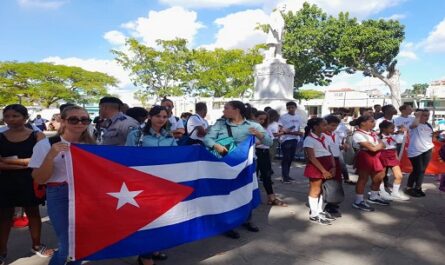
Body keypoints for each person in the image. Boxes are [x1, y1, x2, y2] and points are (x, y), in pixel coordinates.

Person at [29, 105, 96, 265]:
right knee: (67, 245)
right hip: (58, 194)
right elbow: (39, 179)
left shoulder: (92, 145)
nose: (80, 123)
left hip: (85, 195)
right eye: (74, 119)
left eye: (85, 119)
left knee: (80, 243)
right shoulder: (46, 144)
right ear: (63, 121)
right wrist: (51, 155)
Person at [204, 101, 272, 239]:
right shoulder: (220, 124)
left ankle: (247, 220)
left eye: (226, 108)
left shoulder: (253, 125)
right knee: (227, 194)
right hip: (225, 165)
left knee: (246, 192)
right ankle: (228, 224)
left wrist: (259, 134)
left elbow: (269, 142)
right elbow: (207, 139)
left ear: (237, 110)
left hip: (247, 165)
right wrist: (216, 146)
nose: (223, 110)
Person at [0, 105, 53, 265]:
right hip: (5, 182)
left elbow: (42, 161)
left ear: (25, 118)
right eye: (7, 116)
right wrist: (26, 162)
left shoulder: (38, 136)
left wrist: (8, 160)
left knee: (33, 213)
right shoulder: (0, 136)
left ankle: (36, 245)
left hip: (31, 180)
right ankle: (2, 251)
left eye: (15, 116)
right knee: (4, 217)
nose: (10, 119)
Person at [125, 105, 172, 265]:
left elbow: (176, 158)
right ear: (150, 117)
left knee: (161, 218)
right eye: (158, 116)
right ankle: (145, 256)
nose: (161, 119)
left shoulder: (169, 137)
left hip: (164, 184)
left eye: (165, 117)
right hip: (142, 184)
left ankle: (155, 248)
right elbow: (127, 158)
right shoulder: (136, 135)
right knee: (146, 220)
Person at [351, 115, 389, 212]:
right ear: (363, 123)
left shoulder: (372, 133)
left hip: (376, 156)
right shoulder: (358, 134)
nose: (374, 123)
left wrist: (377, 146)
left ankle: (374, 196)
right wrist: (377, 145)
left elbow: (382, 145)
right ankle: (358, 201)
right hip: (365, 156)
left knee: (379, 176)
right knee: (363, 178)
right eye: (371, 121)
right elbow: (373, 148)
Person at [303, 118, 335, 225]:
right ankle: (314, 214)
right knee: (315, 189)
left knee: (323, 189)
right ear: (316, 127)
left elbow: (329, 152)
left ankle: (320, 210)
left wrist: (333, 166)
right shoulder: (309, 139)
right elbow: (312, 157)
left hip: (327, 163)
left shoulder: (324, 137)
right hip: (317, 165)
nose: (326, 127)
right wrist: (323, 171)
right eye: (324, 125)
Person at [254, 111, 286, 207]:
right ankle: (252, 198)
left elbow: (270, 140)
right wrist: (262, 141)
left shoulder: (265, 128)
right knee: (253, 176)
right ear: (255, 118)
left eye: (264, 119)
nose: (262, 121)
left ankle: (271, 197)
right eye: (260, 119)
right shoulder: (251, 128)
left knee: (266, 175)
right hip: (255, 152)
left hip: (264, 153)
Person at [405, 109, 434, 197]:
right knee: (417, 170)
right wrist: (417, 116)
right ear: (419, 115)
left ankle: (418, 188)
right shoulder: (414, 123)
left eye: (428, 115)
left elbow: (430, 137)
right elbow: (414, 125)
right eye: (424, 115)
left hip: (427, 150)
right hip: (415, 151)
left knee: (422, 171)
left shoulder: (429, 125)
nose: (427, 117)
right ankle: (409, 188)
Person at [378, 121, 410, 201]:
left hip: (392, 156)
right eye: (391, 128)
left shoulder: (394, 136)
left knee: (399, 176)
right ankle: (381, 191)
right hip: (382, 155)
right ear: (384, 129)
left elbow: (403, 140)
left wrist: (404, 131)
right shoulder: (378, 137)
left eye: (393, 127)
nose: (393, 129)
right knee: (381, 176)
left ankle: (395, 192)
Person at [323, 115, 345, 217]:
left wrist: (342, 146)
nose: (333, 128)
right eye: (331, 125)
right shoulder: (322, 135)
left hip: (336, 159)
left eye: (335, 126)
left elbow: (335, 146)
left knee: (336, 181)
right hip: (327, 160)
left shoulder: (335, 135)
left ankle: (333, 202)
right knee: (327, 182)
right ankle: (325, 203)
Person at [278, 101, 303, 183]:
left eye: (292, 107)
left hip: (295, 139)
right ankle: (284, 177)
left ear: (296, 108)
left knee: (291, 158)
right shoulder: (283, 117)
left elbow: (299, 128)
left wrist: (300, 133)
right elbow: (280, 128)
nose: (291, 109)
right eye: (289, 108)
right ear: (287, 108)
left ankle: (287, 175)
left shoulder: (299, 117)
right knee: (286, 158)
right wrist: (290, 132)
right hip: (286, 139)